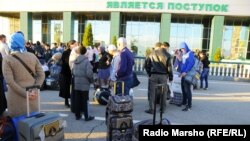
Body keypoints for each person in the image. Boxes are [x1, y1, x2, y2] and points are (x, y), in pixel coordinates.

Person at [2, 32, 45, 117]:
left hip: (16, 96)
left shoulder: (7, 59)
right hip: (33, 94)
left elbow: (10, 81)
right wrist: (35, 89)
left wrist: (25, 93)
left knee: (18, 125)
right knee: (32, 124)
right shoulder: (32, 56)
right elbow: (41, 75)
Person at [144, 42, 173, 114]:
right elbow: (169, 67)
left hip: (153, 75)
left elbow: (146, 65)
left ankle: (152, 109)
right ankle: (162, 109)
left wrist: (149, 74)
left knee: (152, 93)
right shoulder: (168, 55)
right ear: (162, 46)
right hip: (163, 76)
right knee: (163, 93)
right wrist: (170, 77)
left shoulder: (152, 53)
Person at [72, 46, 94, 121]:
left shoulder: (75, 61)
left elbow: (73, 72)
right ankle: (86, 116)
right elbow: (89, 74)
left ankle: (77, 115)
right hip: (85, 84)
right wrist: (91, 80)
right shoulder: (86, 61)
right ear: (85, 52)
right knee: (85, 100)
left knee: (77, 100)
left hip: (77, 83)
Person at [59, 40, 77, 108]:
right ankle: (66, 101)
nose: (76, 45)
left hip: (72, 72)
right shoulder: (66, 52)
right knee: (66, 87)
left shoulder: (75, 52)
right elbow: (67, 62)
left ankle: (73, 100)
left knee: (73, 87)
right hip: (66, 72)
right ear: (70, 45)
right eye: (75, 44)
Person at [179, 42, 195, 111]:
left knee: (187, 90)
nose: (182, 50)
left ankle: (189, 105)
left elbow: (191, 63)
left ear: (186, 47)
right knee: (183, 88)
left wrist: (185, 71)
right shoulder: (184, 54)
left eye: (183, 48)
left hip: (187, 74)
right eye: (181, 49)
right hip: (183, 74)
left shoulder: (190, 53)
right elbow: (182, 63)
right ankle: (184, 102)